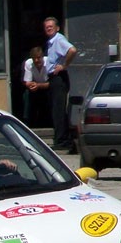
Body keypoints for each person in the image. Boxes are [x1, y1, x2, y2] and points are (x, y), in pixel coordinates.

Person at [43, 17, 77, 150]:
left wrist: (64, 66)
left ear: (57, 28)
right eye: (46, 27)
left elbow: (72, 50)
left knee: (59, 110)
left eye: (51, 26)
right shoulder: (51, 42)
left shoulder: (58, 39)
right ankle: (62, 138)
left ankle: (62, 141)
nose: (48, 28)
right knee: (56, 109)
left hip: (59, 78)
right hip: (53, 78)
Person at [22, 46, 50, 128]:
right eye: (34, 58)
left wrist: (39, 85)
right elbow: (27, 82)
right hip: (35, 88)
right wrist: (32, 85)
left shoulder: (49, 62)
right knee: (26, 94)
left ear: (42, 57)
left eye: (38, 58)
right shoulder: (28, 63)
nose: (36, 60)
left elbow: (52, 83)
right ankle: (27, 121)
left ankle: (47, 122)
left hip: (47, 88)